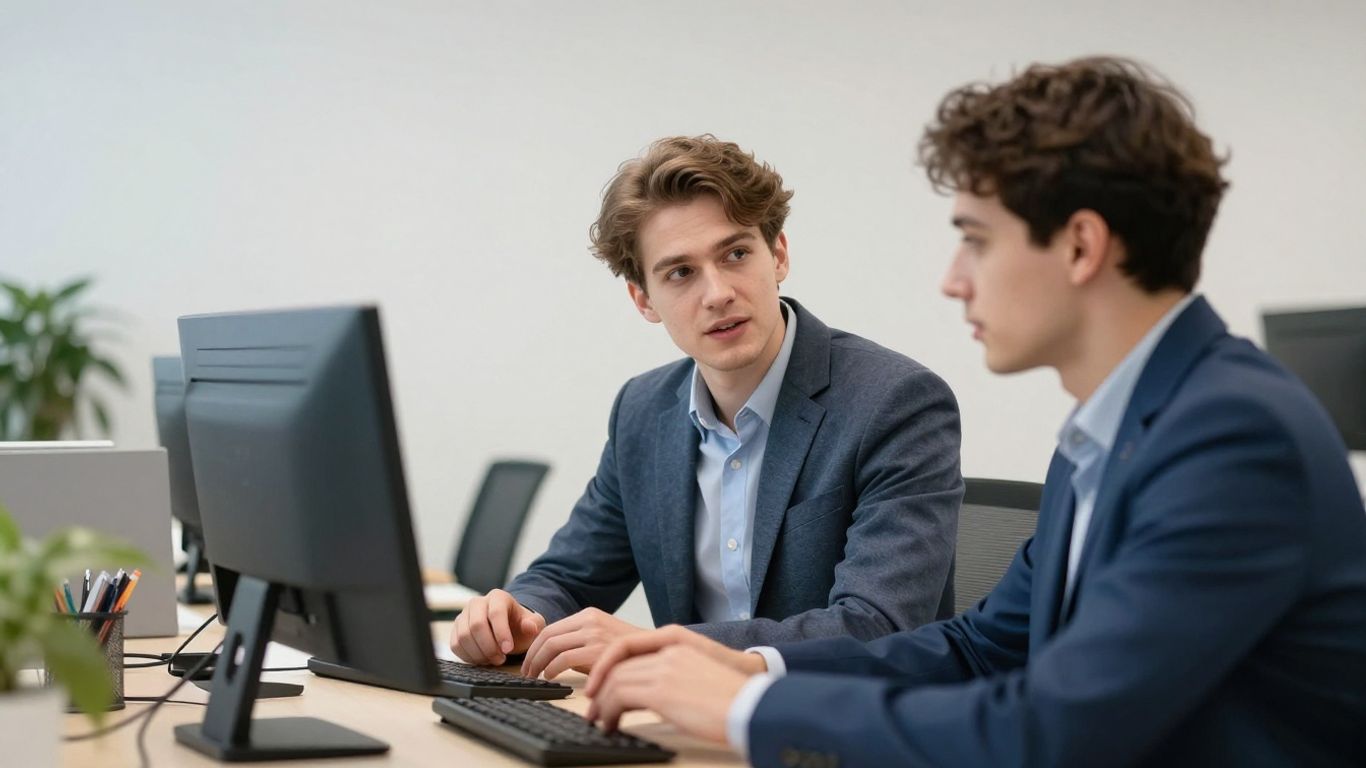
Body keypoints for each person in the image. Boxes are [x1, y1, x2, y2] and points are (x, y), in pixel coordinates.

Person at [584, 58, 1366, 767]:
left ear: (1080, 246)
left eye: (977, 241)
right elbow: (982, 646)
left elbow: (1051, 733)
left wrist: (749, 708)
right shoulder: (1109, 432)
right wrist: (744, 666)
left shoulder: (1230, 438)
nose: (954, 280)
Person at [449, 135, 964, 680]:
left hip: (842, 731)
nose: (717, 293)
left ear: (779, 254)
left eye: (736, 254)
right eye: (680, 273)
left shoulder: (895, 402)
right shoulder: (642, 411)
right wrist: (518, 614)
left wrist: (659, 649)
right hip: (691, 729)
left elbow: (876, 625)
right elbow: (571, 577)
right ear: (643, 299)